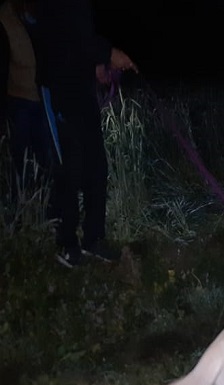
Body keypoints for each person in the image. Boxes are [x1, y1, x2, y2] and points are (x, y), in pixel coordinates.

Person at [34, 0, 138, 267]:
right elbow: (63, 36)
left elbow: (80, 36)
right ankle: (66, 243)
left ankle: (94, 239)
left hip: (82, 89)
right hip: (58, 90)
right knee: (68, 168)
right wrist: (108, 53)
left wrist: (96, 65)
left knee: (96, 165)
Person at [0, 0, 53, 203]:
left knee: (45, 157)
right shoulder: (6, 15)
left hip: (44, 96)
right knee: (19, 158)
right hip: (18, 97)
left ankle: (45, 204)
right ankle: (20, 205)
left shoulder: (43, 10)